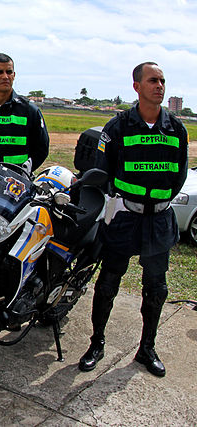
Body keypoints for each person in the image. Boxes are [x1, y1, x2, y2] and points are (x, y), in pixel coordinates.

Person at [78, 62, 188, 377]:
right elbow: (103, 170)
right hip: (126, 218)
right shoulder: (117, 127)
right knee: (108, 283)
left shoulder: (177, 128)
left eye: (163, 81)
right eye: (153, 80)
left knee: (156, 288)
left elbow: (179, 173)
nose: (160, 86)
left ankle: (146, 348)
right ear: (137, 85)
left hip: (159, 221)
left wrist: (158, 199)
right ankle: (96, 343)